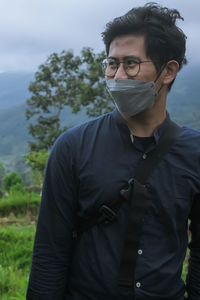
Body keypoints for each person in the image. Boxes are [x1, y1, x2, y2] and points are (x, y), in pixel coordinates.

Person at [27, 3, 200, 300]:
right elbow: (50, 253)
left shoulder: (194, 154)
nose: (117, 76)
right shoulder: (72, 148)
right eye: (111, 64)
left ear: (168, 71)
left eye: (131, 64)